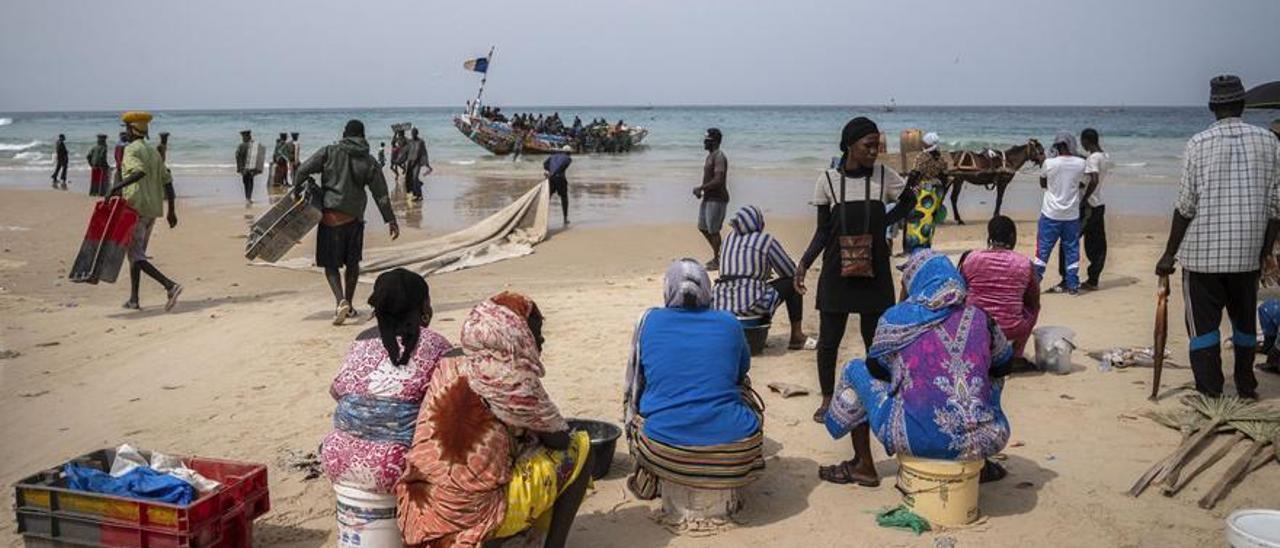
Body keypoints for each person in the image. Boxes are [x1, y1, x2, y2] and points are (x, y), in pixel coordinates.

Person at [397, 292, 592, 548]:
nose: (541, 339)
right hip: (473, 514)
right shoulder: (513, 378)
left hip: (421, 509)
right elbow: (559, 440)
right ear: (514, 334)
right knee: (580, 449)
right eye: (535, 331)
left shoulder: (450, 360)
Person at [820, 250, 1013, 486]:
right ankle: (978, 461)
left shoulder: (896, 319)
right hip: (988, 438)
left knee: (855, 369)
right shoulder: (980, 317)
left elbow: (877, 369)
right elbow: (1005, 364)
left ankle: (863, 465)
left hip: (919, 439)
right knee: (991, 370)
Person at [1156, 75, 1280, 400]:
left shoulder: (1198, 143)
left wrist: (1169, 254)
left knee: (1203, 329)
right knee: (1243, 326)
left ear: (1212, 107)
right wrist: (1265, 252)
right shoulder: (1270, 143)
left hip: (1202, 258)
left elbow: (1185, 206)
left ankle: (1210, 392)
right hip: (1248, 255)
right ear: (1242, 105)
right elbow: (1275, 206)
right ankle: (1246, 386)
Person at [796, 117, 917, 423]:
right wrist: (804, 262)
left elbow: (909, 201)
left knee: (875, 342)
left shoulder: (884, 177)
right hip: (836, 272)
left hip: (874, 272)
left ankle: (875, 396)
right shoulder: (827, 181)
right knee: (828, 341)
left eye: (877, 145)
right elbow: (823, 232)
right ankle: (826, 400)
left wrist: (883, 223)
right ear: (849, 145)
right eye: (868, 145)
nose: (874, 151)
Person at [320, 269, 451, 532]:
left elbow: (337, 391)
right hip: (397, 467)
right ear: (423, 306)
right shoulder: (437, 345)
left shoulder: (361, 340)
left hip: (336, 460)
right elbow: (447, 403)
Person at [624, 259, 765, 500]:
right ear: (707, 290)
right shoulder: (729, 322)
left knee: (643, 404)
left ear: (668, 289)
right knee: (745, 393)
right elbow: (741, 373)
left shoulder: (648, 321)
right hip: (738, 451)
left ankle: (650, 475)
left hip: (664, 450)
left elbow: (634, 385)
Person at [293, 119, 399, 325]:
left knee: (330, 265)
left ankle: (340, 300)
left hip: (330, 218)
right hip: (354, 220)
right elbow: (381, 193)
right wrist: (391, 219)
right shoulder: (369, 161)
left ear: (344, 134)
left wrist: (297, 192)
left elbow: (302, 170)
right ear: (363, 136)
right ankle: (349, 305)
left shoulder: (329, 152)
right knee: (352, 264)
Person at [108, 111, 182, 312]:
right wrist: (171, 211)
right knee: (137, 254)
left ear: (132, 130)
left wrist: (115, 188)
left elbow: (138, 172)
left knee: (135, 255)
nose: (125, 132)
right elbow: (168, 182)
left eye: (126, 129)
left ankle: (170, 285)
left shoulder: (132, 150)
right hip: (152, 211)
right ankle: (134, 299)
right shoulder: (154, 152)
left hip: (135, 209)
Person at [713, 205, 807, 348]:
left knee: (757, 289)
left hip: (722, 307)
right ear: (758, 224)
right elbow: (789, 271)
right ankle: (797, 336)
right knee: (792, 282)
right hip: (751, 305)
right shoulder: (765, 240)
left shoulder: (727, 240)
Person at [960, 215, 1040, 365]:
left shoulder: (971, 259)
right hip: (1012, 329)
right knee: (1033, 308)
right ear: (1012, 237)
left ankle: (969, 350)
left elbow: (960, 291)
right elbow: (1034, 300)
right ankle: (1016, 355)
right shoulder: (1024, 263)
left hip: (975, 327)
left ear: (989, 236)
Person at [1034, 132, 1088, 295]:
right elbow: (1081, 183)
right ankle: (1072, 285)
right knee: (1071, 250)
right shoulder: (1080, 163)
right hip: (1071, 215)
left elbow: (1043, 183)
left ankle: (1035, 283)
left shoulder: (1049, 163)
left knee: (1043, 250)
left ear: (1056, 146)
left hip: (1050, 213)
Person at [904, 132, 950, 253]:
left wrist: (907, 188)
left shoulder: (922, 157)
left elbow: (914, 174)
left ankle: (913, 248)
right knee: (929, 221)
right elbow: (945, 177)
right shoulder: (941, 159)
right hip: (936, 193)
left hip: (924, 193)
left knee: (916, 219)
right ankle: (926, 246)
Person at [1077, 128, 1109, 290]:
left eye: (1082, 141)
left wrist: (1084, 199)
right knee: (1097, 243)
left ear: (1087, 141)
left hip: (1090, 205)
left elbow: (1094, 179)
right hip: (1099, 204)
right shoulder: (1103, 156)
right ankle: (1093, 279)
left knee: (1073, 239)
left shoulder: (1092, 159)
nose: (1081, 144)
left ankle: (1070, 277)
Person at [694, 128, 729, 270]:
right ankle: (720, 255)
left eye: (706, 140)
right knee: (703, 227)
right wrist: (703, 191)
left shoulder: (719, 157)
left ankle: (719, 259)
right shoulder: (710, 156)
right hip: (708, 198)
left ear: (713, 141)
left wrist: (701, 188)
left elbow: (719, 179)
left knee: (713, 230)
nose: (704, 142)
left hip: (717, 199)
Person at [543, 146, 572, 225]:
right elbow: (561, 167)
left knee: (547, 198)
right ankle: (565, 218)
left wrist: (549, 171)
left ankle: (542, 216)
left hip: (551, 179)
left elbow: (545, 164)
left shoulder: (553, 156)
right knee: (564, 197)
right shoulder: (568, 158)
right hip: (560, 178)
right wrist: (555, 173)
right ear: (569, 152)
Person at [403, 128, 432, 202]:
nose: (413, 134)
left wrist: (427, 164)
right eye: (412, 133)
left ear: (417, 133)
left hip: (417, 163)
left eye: (414, 133)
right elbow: (404, 147)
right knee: (410, 179)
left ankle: (420, 195)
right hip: (410, 162)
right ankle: (416, 195)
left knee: (415, 178)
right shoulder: (409, 141)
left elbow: (424, 152)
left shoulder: (421, 142)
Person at [234, 130, 259, 205]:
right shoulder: (253, 145)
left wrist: (239, 168)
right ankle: (249, 198)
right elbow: (257, 156)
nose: (242, 138)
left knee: (245, 183)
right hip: (251, 168)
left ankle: (247, 198)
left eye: (243, 136)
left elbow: (237, 156)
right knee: (250, 183)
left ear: (245, 137)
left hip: (244, 169)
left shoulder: (241, 146)